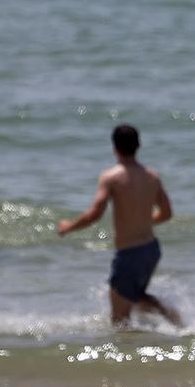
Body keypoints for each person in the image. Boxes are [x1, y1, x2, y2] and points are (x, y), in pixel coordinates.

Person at [57, 124, 182, 327]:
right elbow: (167, 213)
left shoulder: (111, 177)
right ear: (138, 146)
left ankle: (165, 324)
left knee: (119, 320)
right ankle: (173, 318)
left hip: (130, 254)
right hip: (151, 250)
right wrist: (143, 220)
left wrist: (68, 227)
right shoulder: (152, 176)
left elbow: (95, 213)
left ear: (114, 147)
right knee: (134, 297)